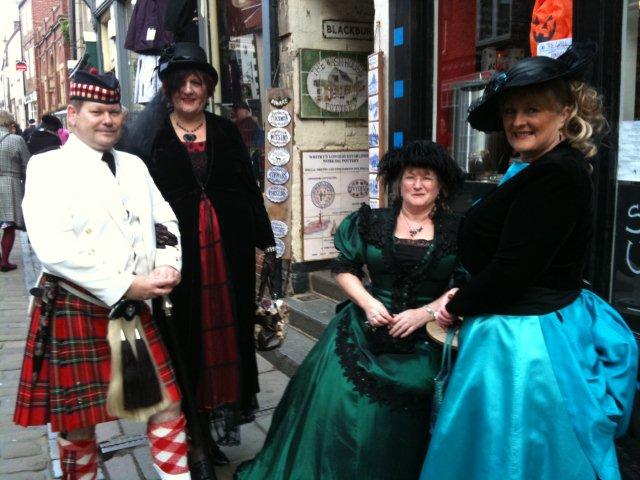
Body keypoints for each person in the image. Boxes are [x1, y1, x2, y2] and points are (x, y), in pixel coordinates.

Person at [421, 43, 638, 480]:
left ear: (564, 111)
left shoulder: (556, 173)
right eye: (509, 111)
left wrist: (455, 304)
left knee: (515, 452)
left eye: (533, 109)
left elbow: (512, 270)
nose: (518, 121)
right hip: (526, 325)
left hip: (525, 341)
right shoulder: (540, 165)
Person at [236, 141, 466, 480]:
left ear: (440, 185)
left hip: (426, 337)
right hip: (365, 326)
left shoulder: (457, 230)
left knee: (422, 390)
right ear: (397, 182)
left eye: (427, 178)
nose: (417, 185)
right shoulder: (371, 222)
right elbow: (344, 267)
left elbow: (464, 283)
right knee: (338, 394)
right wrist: (369, 302)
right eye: (410, 177)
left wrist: (426, 313)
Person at [13, 70, 192, 480]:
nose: (108, 120)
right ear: (72, 116)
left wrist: (168, 262)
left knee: (166, 404)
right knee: (78, 423)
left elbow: (163, 218)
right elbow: (53, 248)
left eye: (114, 111)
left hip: (131, 308)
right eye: (97, 111)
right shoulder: (47, 168)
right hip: (77, 305)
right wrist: (129, 285)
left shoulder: (132, 165)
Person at [139, 42, 275, 479]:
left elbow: (247, 186)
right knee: (186, 336)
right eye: (181, 83)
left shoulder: (225, 129)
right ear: (169, 89)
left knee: (227, 335)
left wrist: (264, 241)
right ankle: (190, 437)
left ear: (208, 88)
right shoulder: (153, 136)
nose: (190, 90)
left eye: (197, 82)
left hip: (229, 250)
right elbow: (141, 201)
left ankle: (212, 431)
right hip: (180, 255)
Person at [0, 110, 30, 272]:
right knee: (8, 225)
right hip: (9, 184)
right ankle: (4, 261)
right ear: (8, 123)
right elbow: (27, 164)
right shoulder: (16, 140)